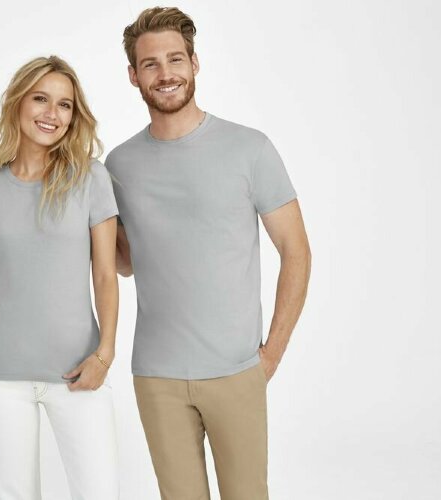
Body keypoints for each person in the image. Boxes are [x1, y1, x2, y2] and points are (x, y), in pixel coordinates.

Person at [104, 7, 312, 500]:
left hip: (237, 370)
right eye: (150, 64)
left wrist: (271, 354)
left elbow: (297, 252)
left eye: (175, 59)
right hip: (157, 375)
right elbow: (126, 263)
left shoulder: (249, 149)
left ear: (195, 63)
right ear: (133, 76)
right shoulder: (119, 165)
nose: (165, 73)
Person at [0, 55, 120, 500]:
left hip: (80, 371)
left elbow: (105, 275)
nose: (52, 114)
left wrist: (104, 355)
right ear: (17, 103)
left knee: (100, 492)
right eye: (41, 99)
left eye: (65, 105)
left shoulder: (90, 179)